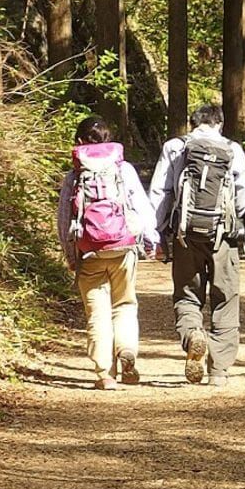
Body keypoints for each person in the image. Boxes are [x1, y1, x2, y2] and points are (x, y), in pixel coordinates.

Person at [148, 104, 245, 387]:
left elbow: (160, 192)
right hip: (223, 235)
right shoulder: (233, 149)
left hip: (185, 234)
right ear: (220, 123)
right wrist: (231, 220)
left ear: (192, 123)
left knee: (187, 293)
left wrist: (158, 232)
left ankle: (192, 333)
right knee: (225, 298)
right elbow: (242, 198)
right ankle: (219, 371)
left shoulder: (175, 147)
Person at [57, 115, 159, 390]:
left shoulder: (74, 176)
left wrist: (70, 255)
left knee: (97, 313)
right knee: (124, 304)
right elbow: (141, 206)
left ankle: (105, 374)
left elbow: (64, 219)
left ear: (80, 141)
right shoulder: (123, 169)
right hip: (123, 247)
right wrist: (151, 238)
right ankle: (126, 349)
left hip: (88, 251)